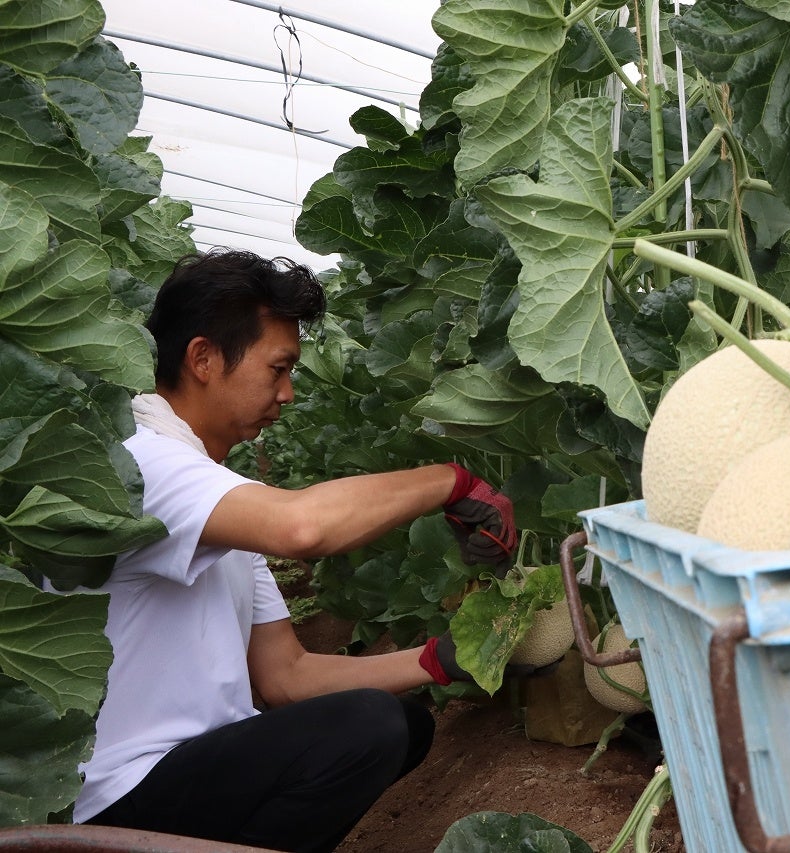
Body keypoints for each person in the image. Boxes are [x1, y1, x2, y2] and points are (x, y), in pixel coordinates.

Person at [72, 248, 517, 852]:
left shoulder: (218, 499)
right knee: (368, 727)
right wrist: (452, 481)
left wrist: (447, 659)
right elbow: (303, 529)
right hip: (118, 797)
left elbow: (287, 677)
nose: (286, 394)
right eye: (277, 369)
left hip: (187, 773)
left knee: (403, 725)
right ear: (202, 358)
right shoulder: (142, 462)